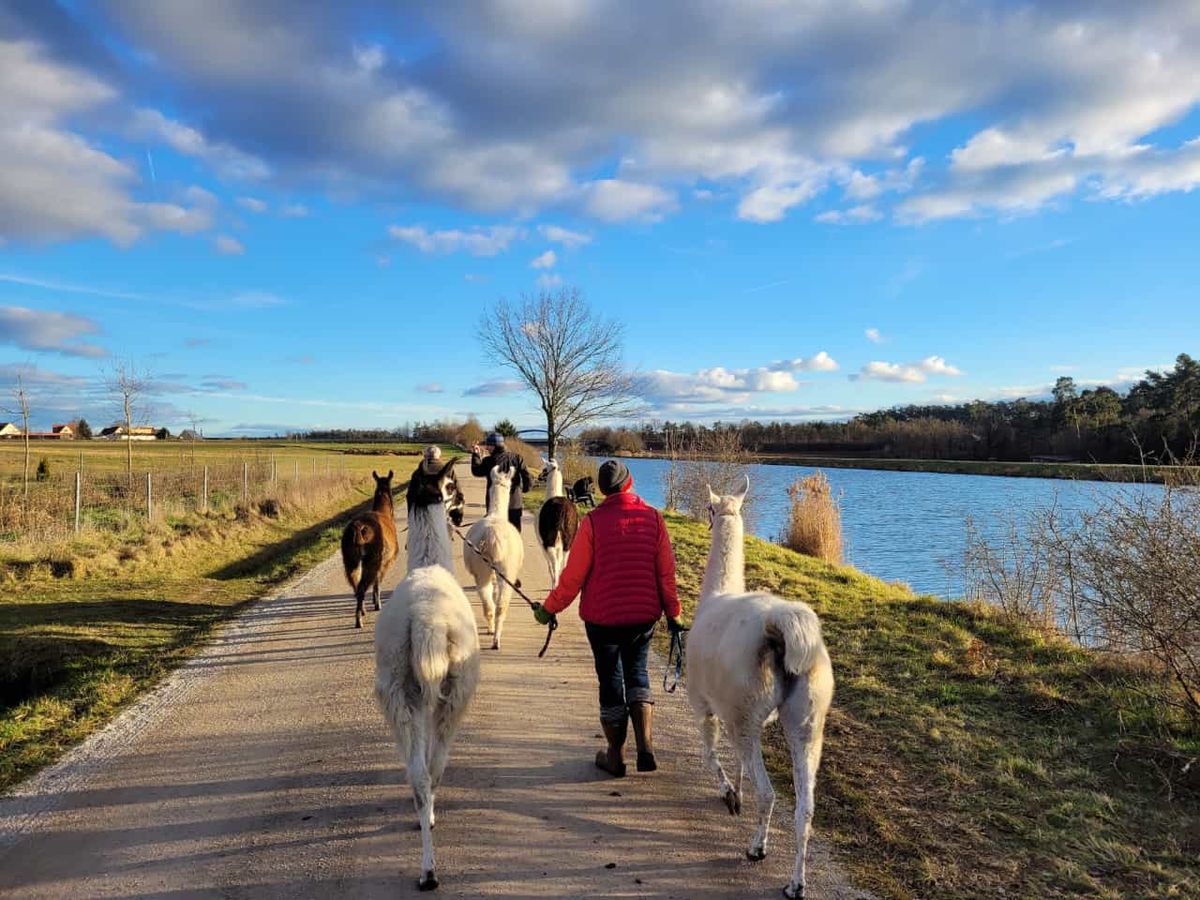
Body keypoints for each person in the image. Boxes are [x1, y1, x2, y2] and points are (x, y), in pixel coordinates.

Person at [532, 460, 684, 777]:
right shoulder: (654, 519)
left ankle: (615, 756)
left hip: (602, 621)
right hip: (643, 617)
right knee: (637, 673)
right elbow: (666, 574)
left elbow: (573, 577)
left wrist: (549, 608)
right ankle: (646, 746)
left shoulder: (593, 522)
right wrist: (674, 613)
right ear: (629, 484)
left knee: (611, 682)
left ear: (602, 490)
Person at [470, 432, 533, 531]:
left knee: (495, 532)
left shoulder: (488, 461)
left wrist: (476, 455)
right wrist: (525, 489)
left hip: (495, 503)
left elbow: (476, 471)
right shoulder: (517, 458)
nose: (486, 448)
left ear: (495, 446)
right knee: (514, 533)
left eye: (489, 446)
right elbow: (527, 476)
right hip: (514, 503)